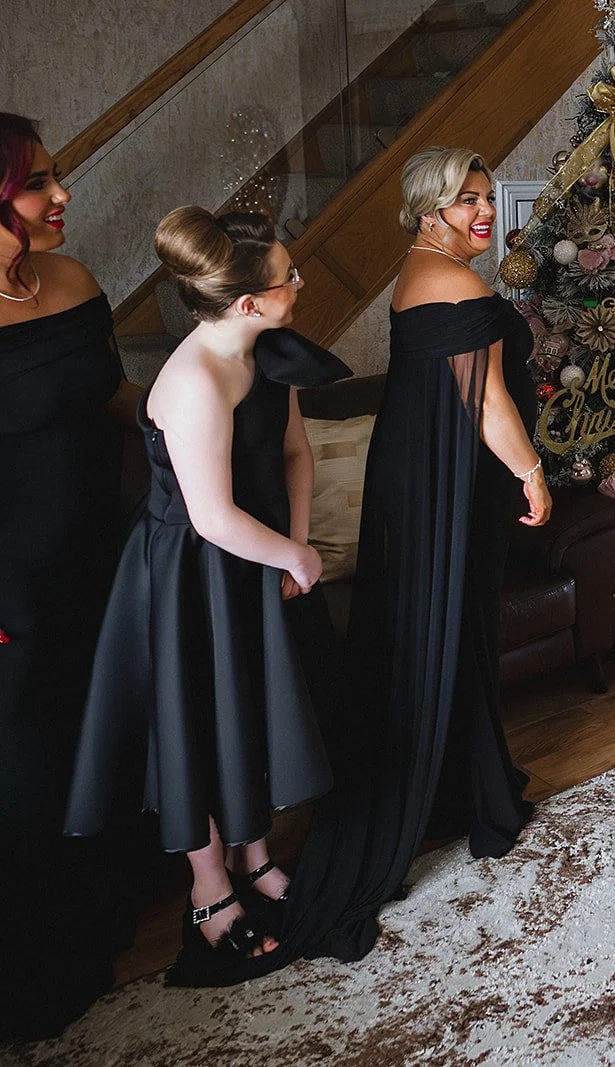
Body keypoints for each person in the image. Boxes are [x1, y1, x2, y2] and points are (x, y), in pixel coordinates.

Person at [64, 206, 348, 985]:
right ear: (247, 301)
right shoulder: (192, 381)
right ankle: (210, 886)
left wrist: (294, 548)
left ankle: (255, 858)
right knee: (197, 721)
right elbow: (211, 517)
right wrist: (294, 554)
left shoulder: (271, 346)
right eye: (289, 277)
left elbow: (295, 452)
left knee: (247, 709)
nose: (300, 284)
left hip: (257, 554)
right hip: (190, 572)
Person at [282, 146, 552, 964]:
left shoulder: (420, 269)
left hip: (423, 472)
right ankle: (460, 793)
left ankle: (458, 783)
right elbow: (488, 402)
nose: (483, 211)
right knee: (446, 626)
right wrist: (532, 474)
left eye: (486, 196)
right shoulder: (456, 282)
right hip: (444, 480)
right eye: (465, 199)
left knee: (436, 627)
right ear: (430, 211)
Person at [0, 113, 145, 1040]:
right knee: (27, 764)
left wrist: (193, 410)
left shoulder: (74, 280)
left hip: (100, 558)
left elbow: (110, 396)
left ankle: (106, 920)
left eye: (56, 176)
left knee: (102, 733)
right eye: (36, 184)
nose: (61, 195)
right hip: (10, 588)